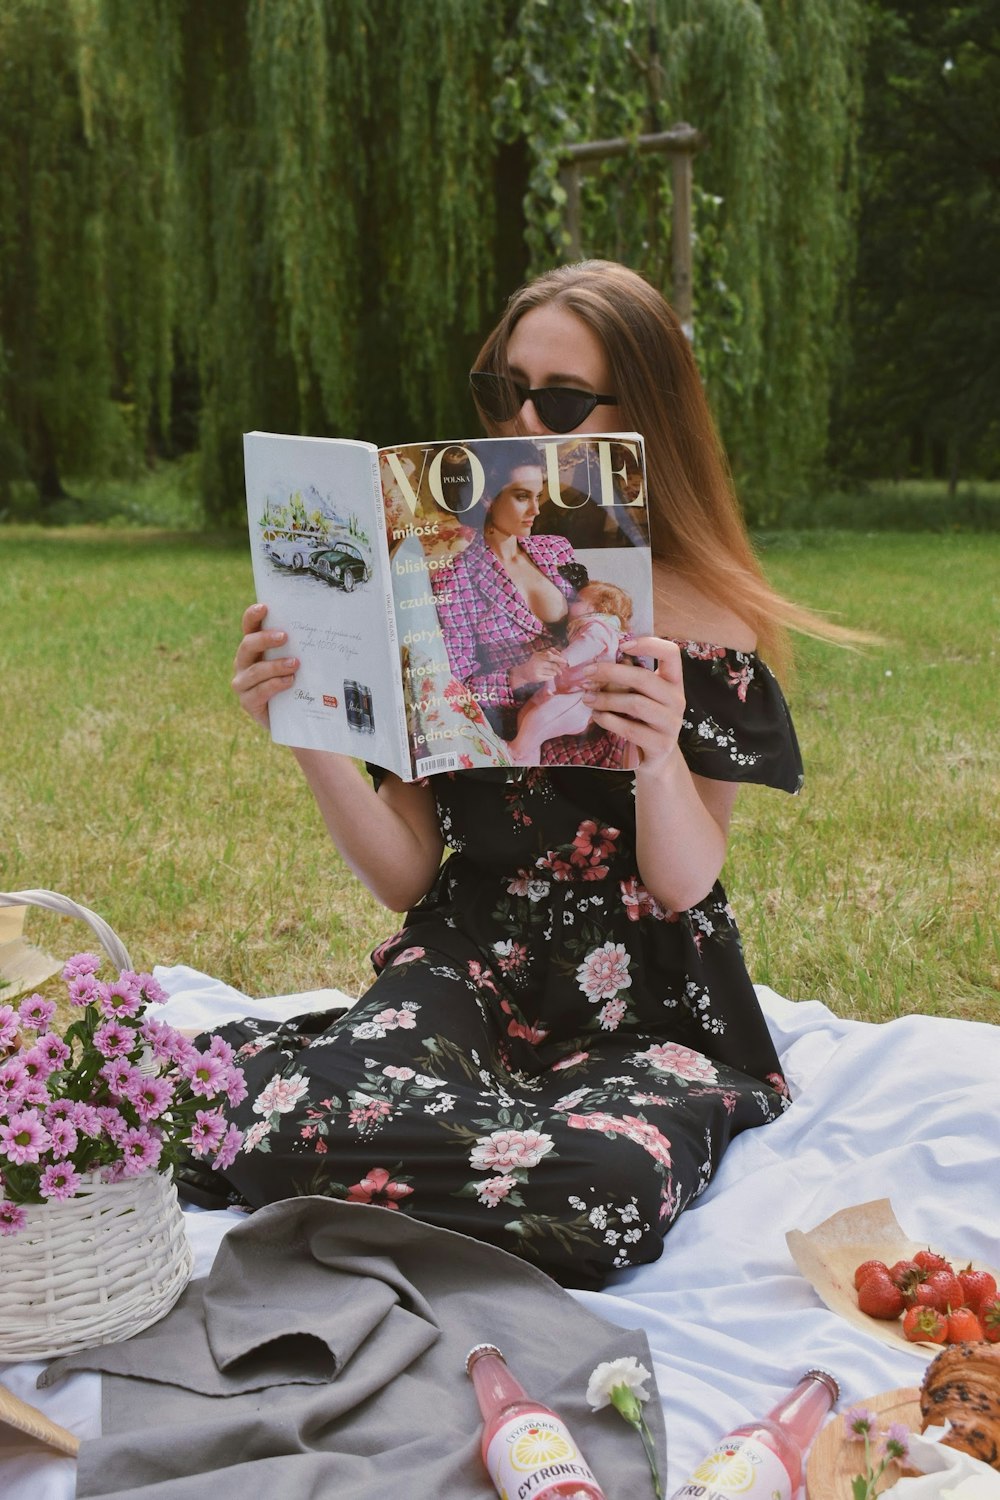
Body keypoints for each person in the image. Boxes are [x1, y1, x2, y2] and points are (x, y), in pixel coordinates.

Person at [226, 259, 840, 1290]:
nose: (520, 420)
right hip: (469, 951)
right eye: (500, 392)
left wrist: (654, 754)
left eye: (555, 401)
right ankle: (478, 1156)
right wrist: (306, 728)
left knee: (598, 1188)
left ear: (642, 414)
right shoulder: (436, 586)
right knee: (279, 1125)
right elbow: (406, 874)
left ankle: (459, 1168)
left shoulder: (704, 620)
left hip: (641, 991)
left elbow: (686, 882)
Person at [429, 444, 632, 767]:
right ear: (486, 499)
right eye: (522, 496)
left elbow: (601, 615)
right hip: (536, 731)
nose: (536, 510)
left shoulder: (555, 549)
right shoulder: (455, 581)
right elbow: (460, 689)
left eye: (538, 496)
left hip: (600, 702)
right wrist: (519, 675)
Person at [505, 579, 633, 765]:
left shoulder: (599, 627)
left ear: (599, 607)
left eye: (578, 601)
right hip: (562, 690)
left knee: (540, 718)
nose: (570, 603)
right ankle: (527, 760)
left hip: (580, 699)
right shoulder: (581, 627)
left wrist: (565, 658)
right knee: (526, 716)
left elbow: (588, 645)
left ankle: (516, 751)